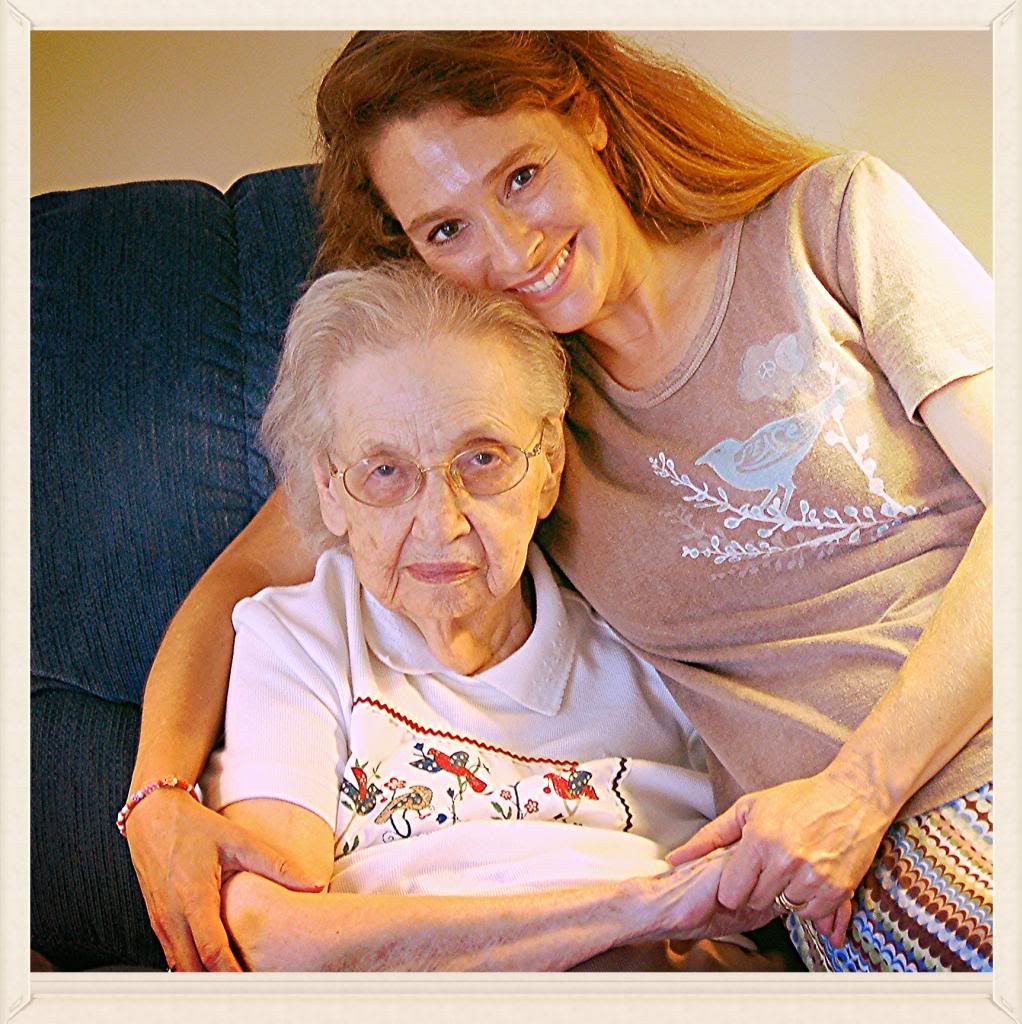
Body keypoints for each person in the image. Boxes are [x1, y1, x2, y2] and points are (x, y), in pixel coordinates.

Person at [122, 31, 992, 973]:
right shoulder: (504, 407)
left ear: (586, 116)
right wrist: (158, 797)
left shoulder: (828, 222)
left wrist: (862, 786)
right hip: (857, 855)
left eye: (522, 176)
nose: (509, 249)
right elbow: (245, 578)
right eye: (445, 230)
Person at [178, 260, 782, 972]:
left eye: (483, 459)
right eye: (385, 471)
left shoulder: (659, 637)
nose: (441, 523)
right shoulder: (301, 638)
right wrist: (634, 912)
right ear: (329, 490)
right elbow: (272, 936)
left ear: (548, 465)